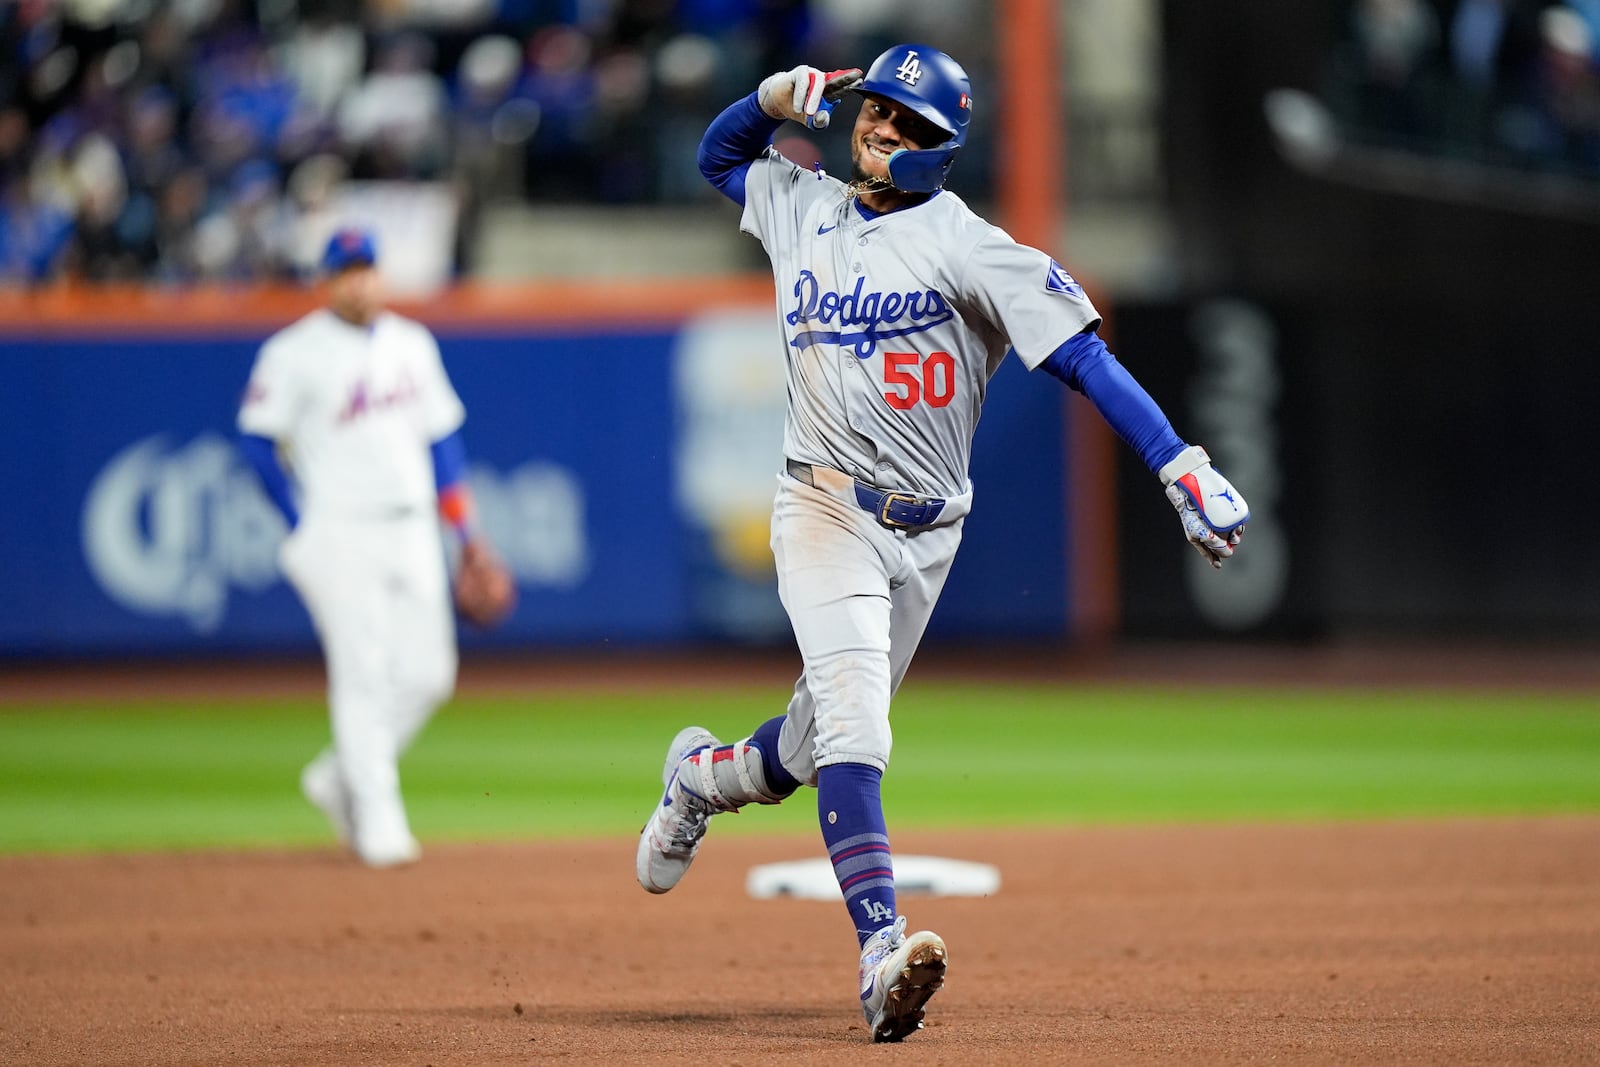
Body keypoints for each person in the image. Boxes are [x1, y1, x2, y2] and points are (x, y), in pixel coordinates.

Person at [634, 45, 1249, 1042]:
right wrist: (763, 100)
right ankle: (881, 954)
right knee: (856, 729)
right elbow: (718, 159)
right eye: (875, 110)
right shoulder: (804, 203)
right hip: (821, 505)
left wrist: (1178, 460)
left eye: (905, 124)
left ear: (942, 148)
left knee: (801, 747)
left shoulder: (971, 247)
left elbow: (1083, 358)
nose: (879, 130)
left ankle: (700, 775)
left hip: (927, 532)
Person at [237, 227, 504, 868]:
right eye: (346, 269)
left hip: (413, 526)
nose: (359, 279)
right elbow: (256, 441)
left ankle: (337, 778)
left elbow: (443, 444)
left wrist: (466, 533)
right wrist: (298, 522)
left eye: (367, 268)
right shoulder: (292, 351)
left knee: (429, 675)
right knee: (362, 672)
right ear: (327, 280)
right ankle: (379, 823)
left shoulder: (412, 343)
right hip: (338, 529)